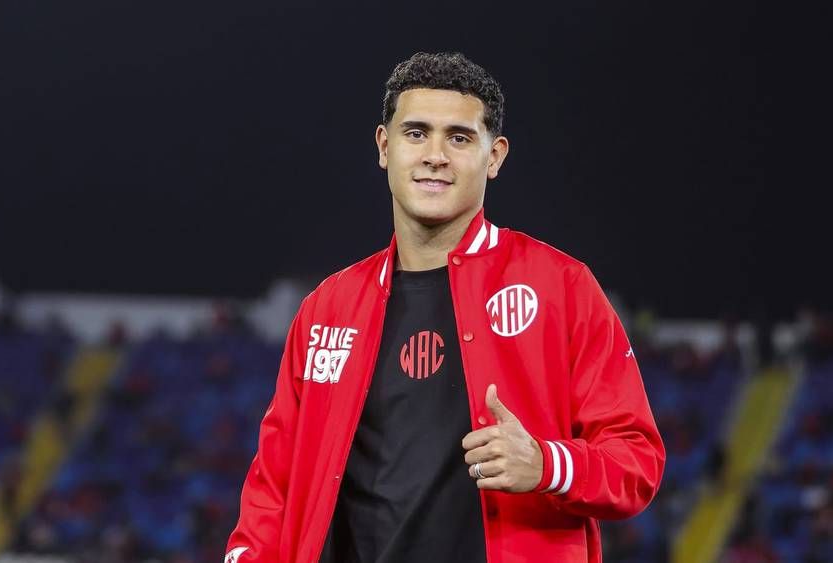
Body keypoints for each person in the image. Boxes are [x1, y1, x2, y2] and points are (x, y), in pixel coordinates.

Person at [225, 51, 666, 563]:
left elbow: (637, 461)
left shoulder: (561, 287)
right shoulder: (327, 309)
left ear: (494, 157)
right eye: (416, 133)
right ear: (384, 146)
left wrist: (547, 465)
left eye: (459, 138)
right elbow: (273, 486)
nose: (435, 155)